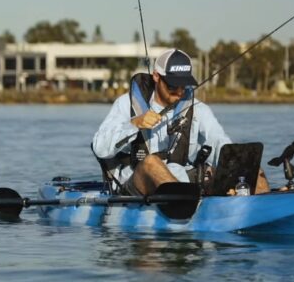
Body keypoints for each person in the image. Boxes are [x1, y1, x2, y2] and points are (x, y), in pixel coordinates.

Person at [92, 48, 270, 196]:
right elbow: (100, 147)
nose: (178, 92)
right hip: (135, 187)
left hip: (183, 183)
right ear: (156, 76)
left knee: (251, 171)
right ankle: (188, 208)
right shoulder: (126, 104)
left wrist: (236, 171)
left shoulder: (199, 110)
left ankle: (266, 207)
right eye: (172, 85)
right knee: (151, 163)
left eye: (183, 85)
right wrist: (134, 124)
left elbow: (219, 142)